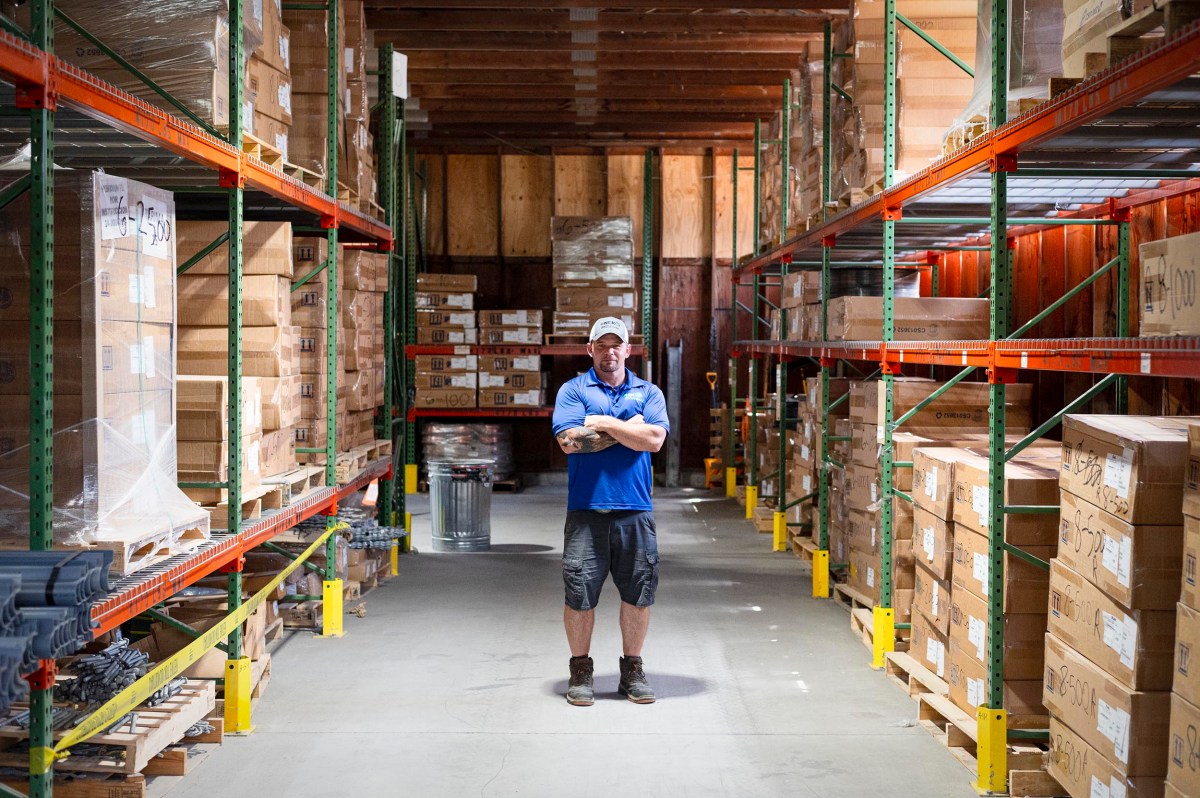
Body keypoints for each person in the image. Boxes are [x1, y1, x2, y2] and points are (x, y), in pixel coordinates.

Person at [551, 316, 669, 707]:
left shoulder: (649, 392)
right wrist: (626, 429)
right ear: (590, 350)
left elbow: (654, 441)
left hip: (636, 509)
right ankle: (580, 671)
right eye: (601, 345)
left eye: (616, 344)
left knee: (638, 592)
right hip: (587, 508)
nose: (610, 351)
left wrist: (600, 423)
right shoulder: (573, 389)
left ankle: (632, 670)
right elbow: (569, 442)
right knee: (579, 593)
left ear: (628, 350)